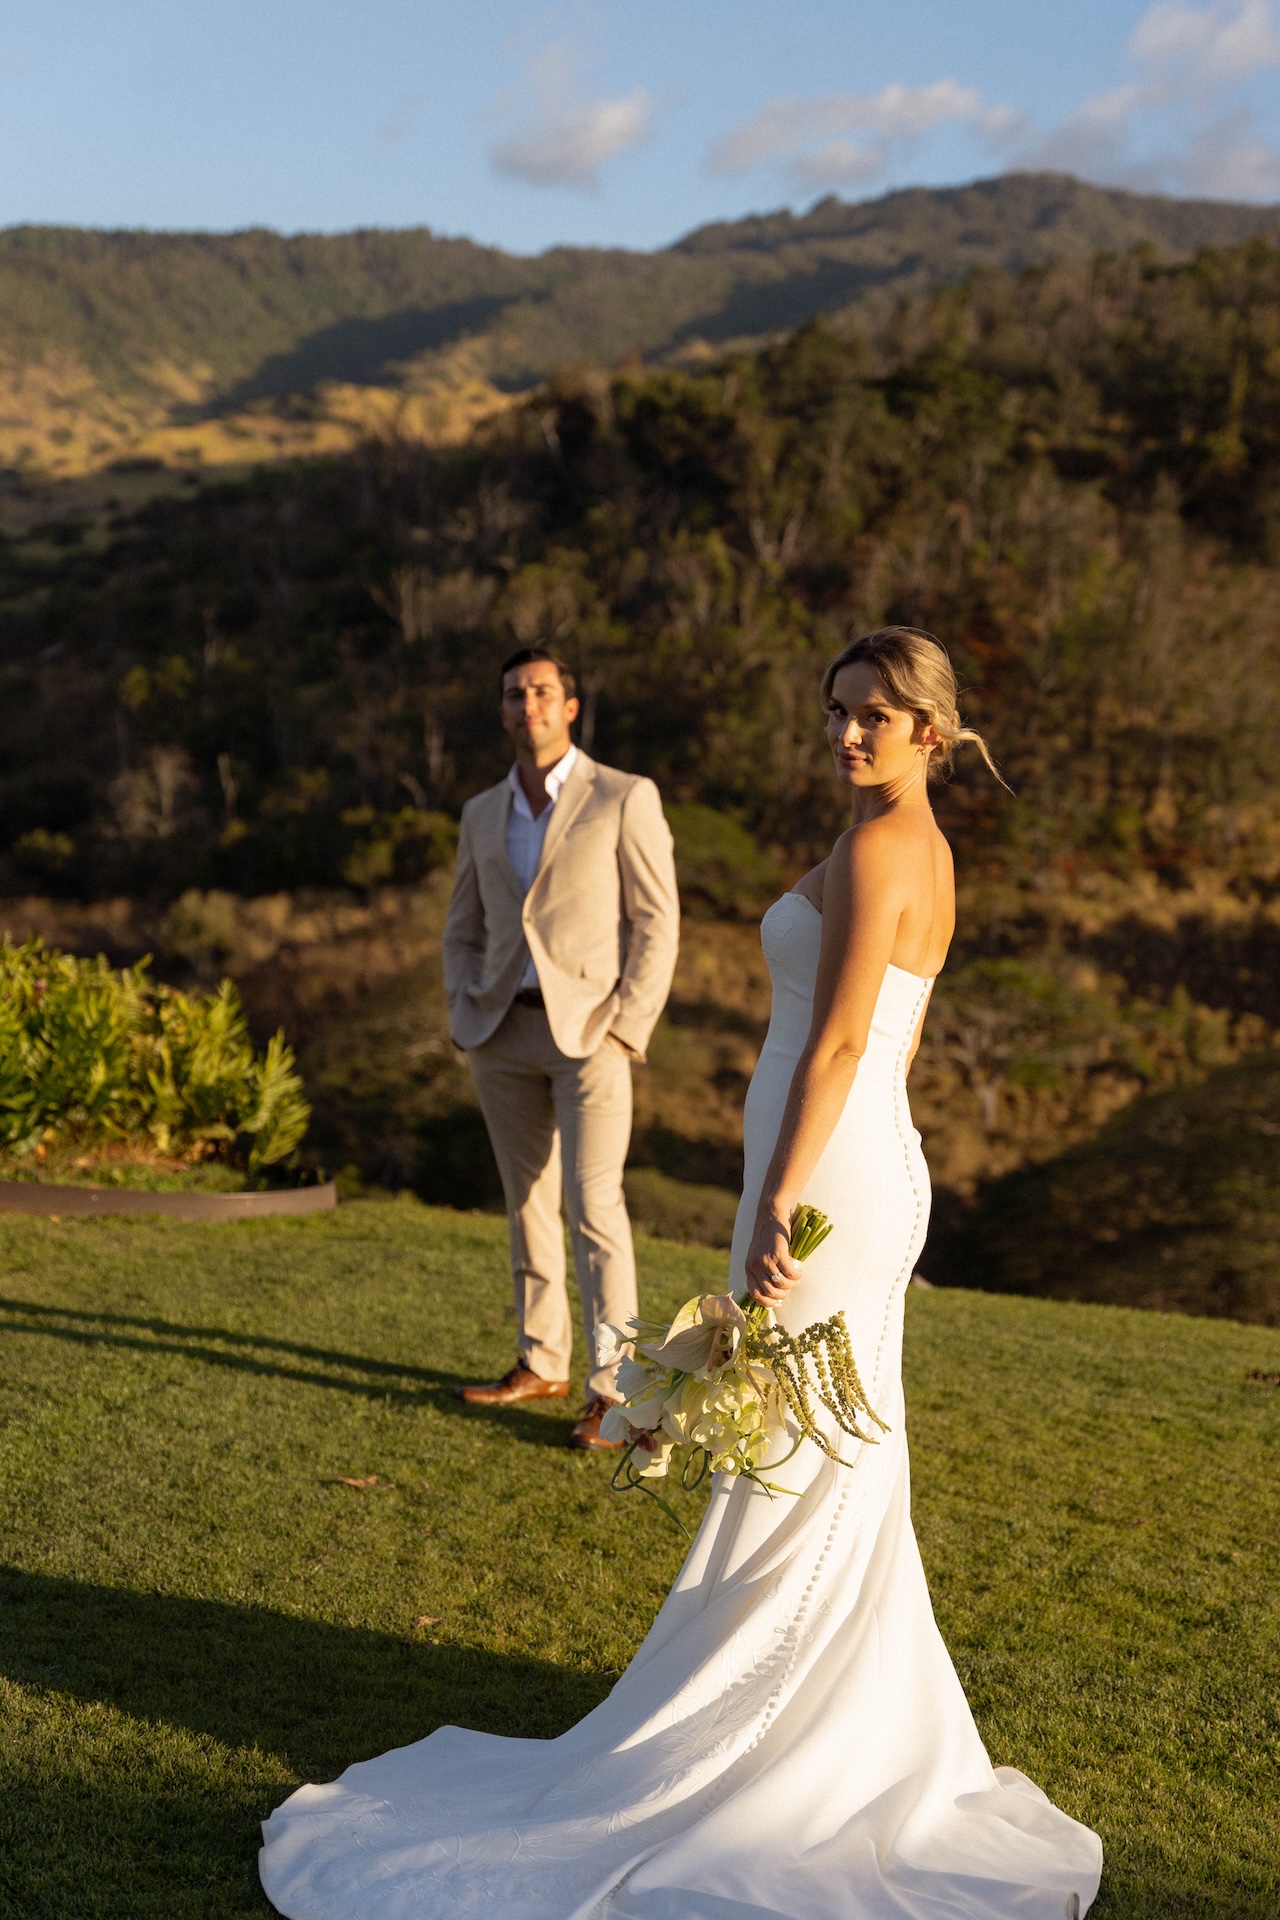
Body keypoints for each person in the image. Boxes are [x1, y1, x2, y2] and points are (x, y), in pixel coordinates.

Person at [259, 628, 1103, 1920]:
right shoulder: (896, 838)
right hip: (838, 1170)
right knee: (824, 1456)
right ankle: (826, 1723)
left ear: (933, 730)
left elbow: (833, 1051)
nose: (849, 734)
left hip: (830, 1180)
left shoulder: (888, 849)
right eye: (837, 711)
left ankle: (786, 1748)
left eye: (876, 715)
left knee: (808, 1455)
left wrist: (773, 1201)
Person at [440, 646, 679, 1449]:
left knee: (596, 1207)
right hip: (500, 1033)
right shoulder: (481, 812)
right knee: (527, 1204)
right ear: (503, 709)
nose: (528, 703)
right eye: (514, 693)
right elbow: (463, 925)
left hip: (592, 1038)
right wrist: (460, 1006)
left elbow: (657, 920)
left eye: (543, 690)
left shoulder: (623, 795)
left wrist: (625, 1026)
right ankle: (541, 1360)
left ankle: (615, 1392)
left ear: (569, 707)